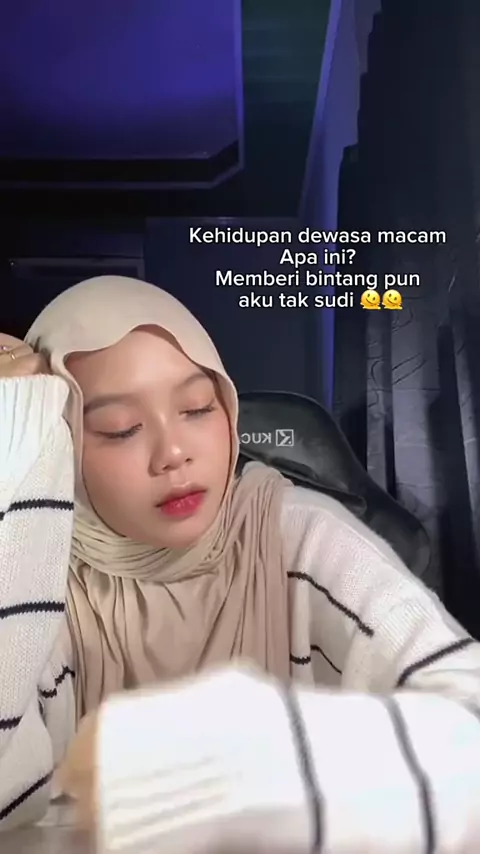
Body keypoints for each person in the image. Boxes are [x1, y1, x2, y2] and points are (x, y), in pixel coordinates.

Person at [1, 274, 480, 854]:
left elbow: (470, 723)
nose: (174, 453)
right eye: (120, 429)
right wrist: (16, 443)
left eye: (197, 408)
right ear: (63, 444)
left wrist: (230, 771)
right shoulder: (42, 572)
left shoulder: (296, 534)